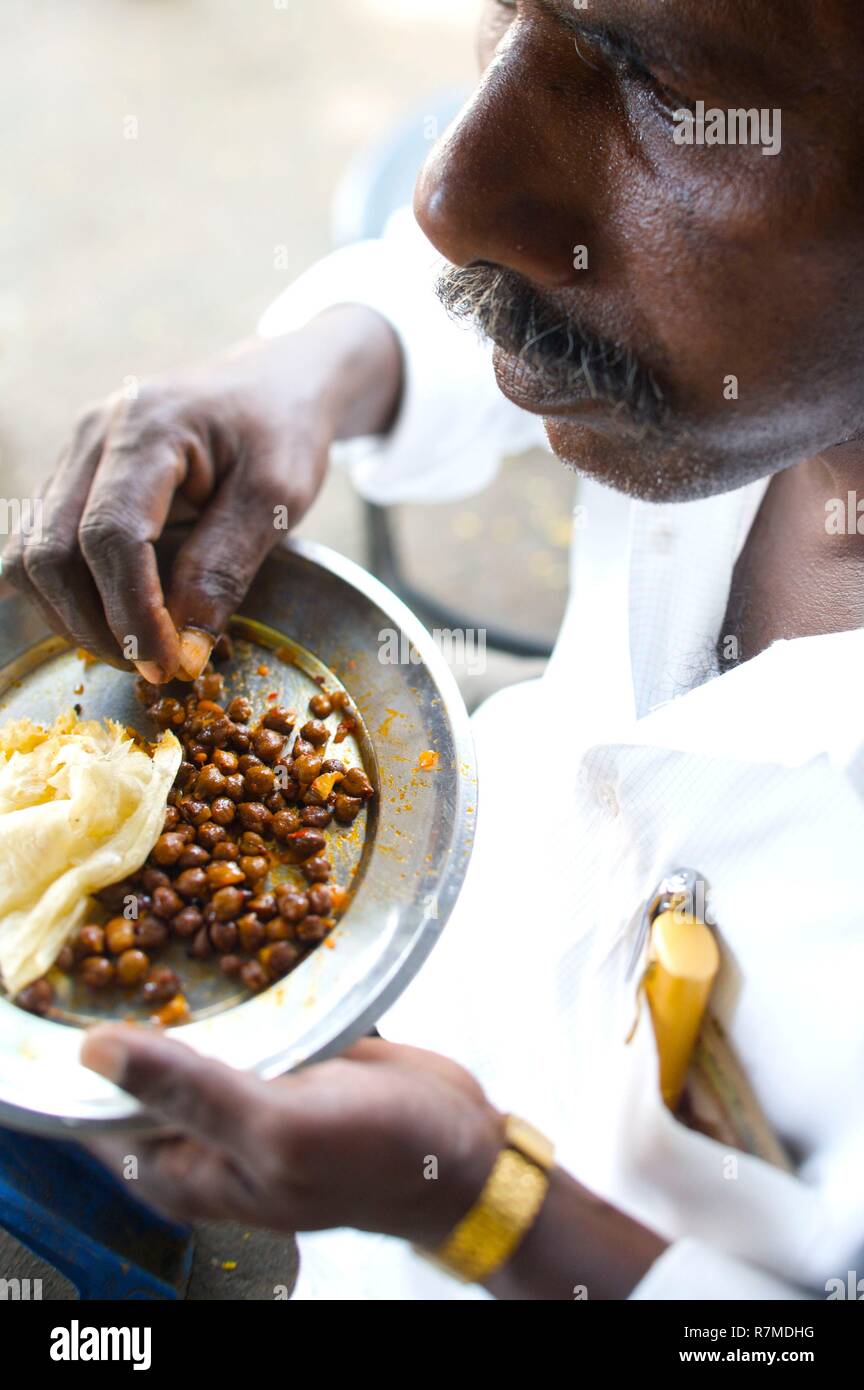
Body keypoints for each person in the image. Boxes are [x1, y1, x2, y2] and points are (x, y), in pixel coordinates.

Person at [5, 0, 864, 1299]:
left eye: (665, 99)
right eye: (512, 12)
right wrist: (310, 370)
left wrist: (479, 1197)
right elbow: (472, 292)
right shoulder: (721, 351)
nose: (453, 189)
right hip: (473, 946)